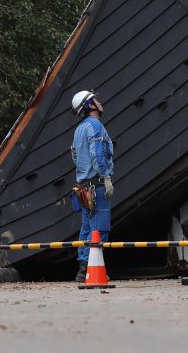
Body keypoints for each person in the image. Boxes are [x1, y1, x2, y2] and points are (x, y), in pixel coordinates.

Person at [70, 90, 115, 282]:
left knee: (87, 229)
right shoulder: (95, 126)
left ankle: (82, 271)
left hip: (84, 187)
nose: (99, 101)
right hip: (96, 186)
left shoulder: (79, 129)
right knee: (100, 228)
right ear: (90, 105)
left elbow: (74, 156)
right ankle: (93, 270)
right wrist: (105, 177)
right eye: (95, 99)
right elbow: (97, 154)